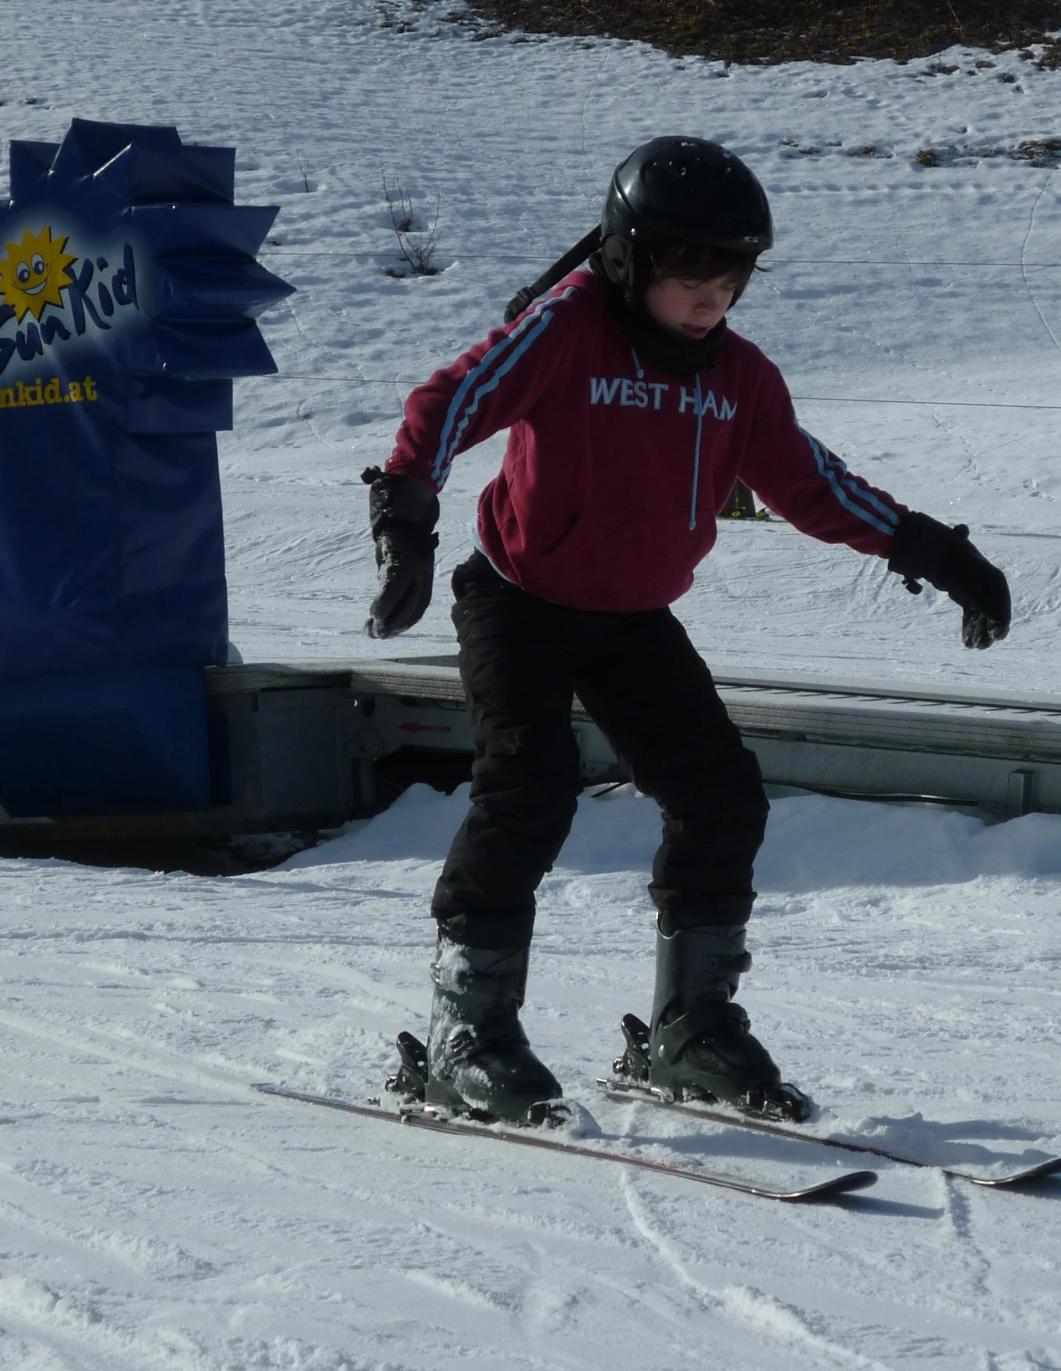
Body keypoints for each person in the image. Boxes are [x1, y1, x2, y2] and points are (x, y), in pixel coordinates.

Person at [362, 136, 1012, 1126]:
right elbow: (449, 401)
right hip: (518, 599)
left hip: (629, 618)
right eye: (685, 276)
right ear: (628, 259)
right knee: (526, 789)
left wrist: (935, 553)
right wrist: (406, 512)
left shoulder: (739, 378)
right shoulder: (569, 329)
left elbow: (807, 483)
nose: (709, 297)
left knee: (719, 794)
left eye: (729, 278)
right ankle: (469, 1034)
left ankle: (689, 1029)